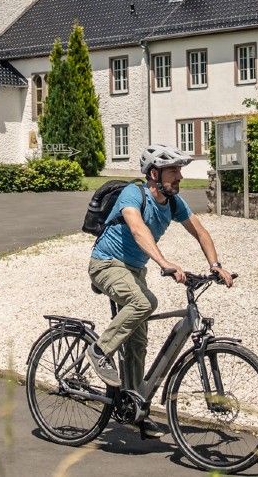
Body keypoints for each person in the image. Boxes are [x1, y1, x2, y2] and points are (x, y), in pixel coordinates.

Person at [86, 144, 232, 435]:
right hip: (106, 263)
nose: (180, 177)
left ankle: (132, 407)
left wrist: (215, 265)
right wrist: (165, 263)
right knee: (144, 303)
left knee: (138, 343)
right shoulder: (133, 194)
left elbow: (200, 231)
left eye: (179, 170)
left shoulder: (174, 202)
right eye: (173, 171)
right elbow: (138, 229)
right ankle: (100, 349)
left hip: (134, 270)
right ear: (154, 174)